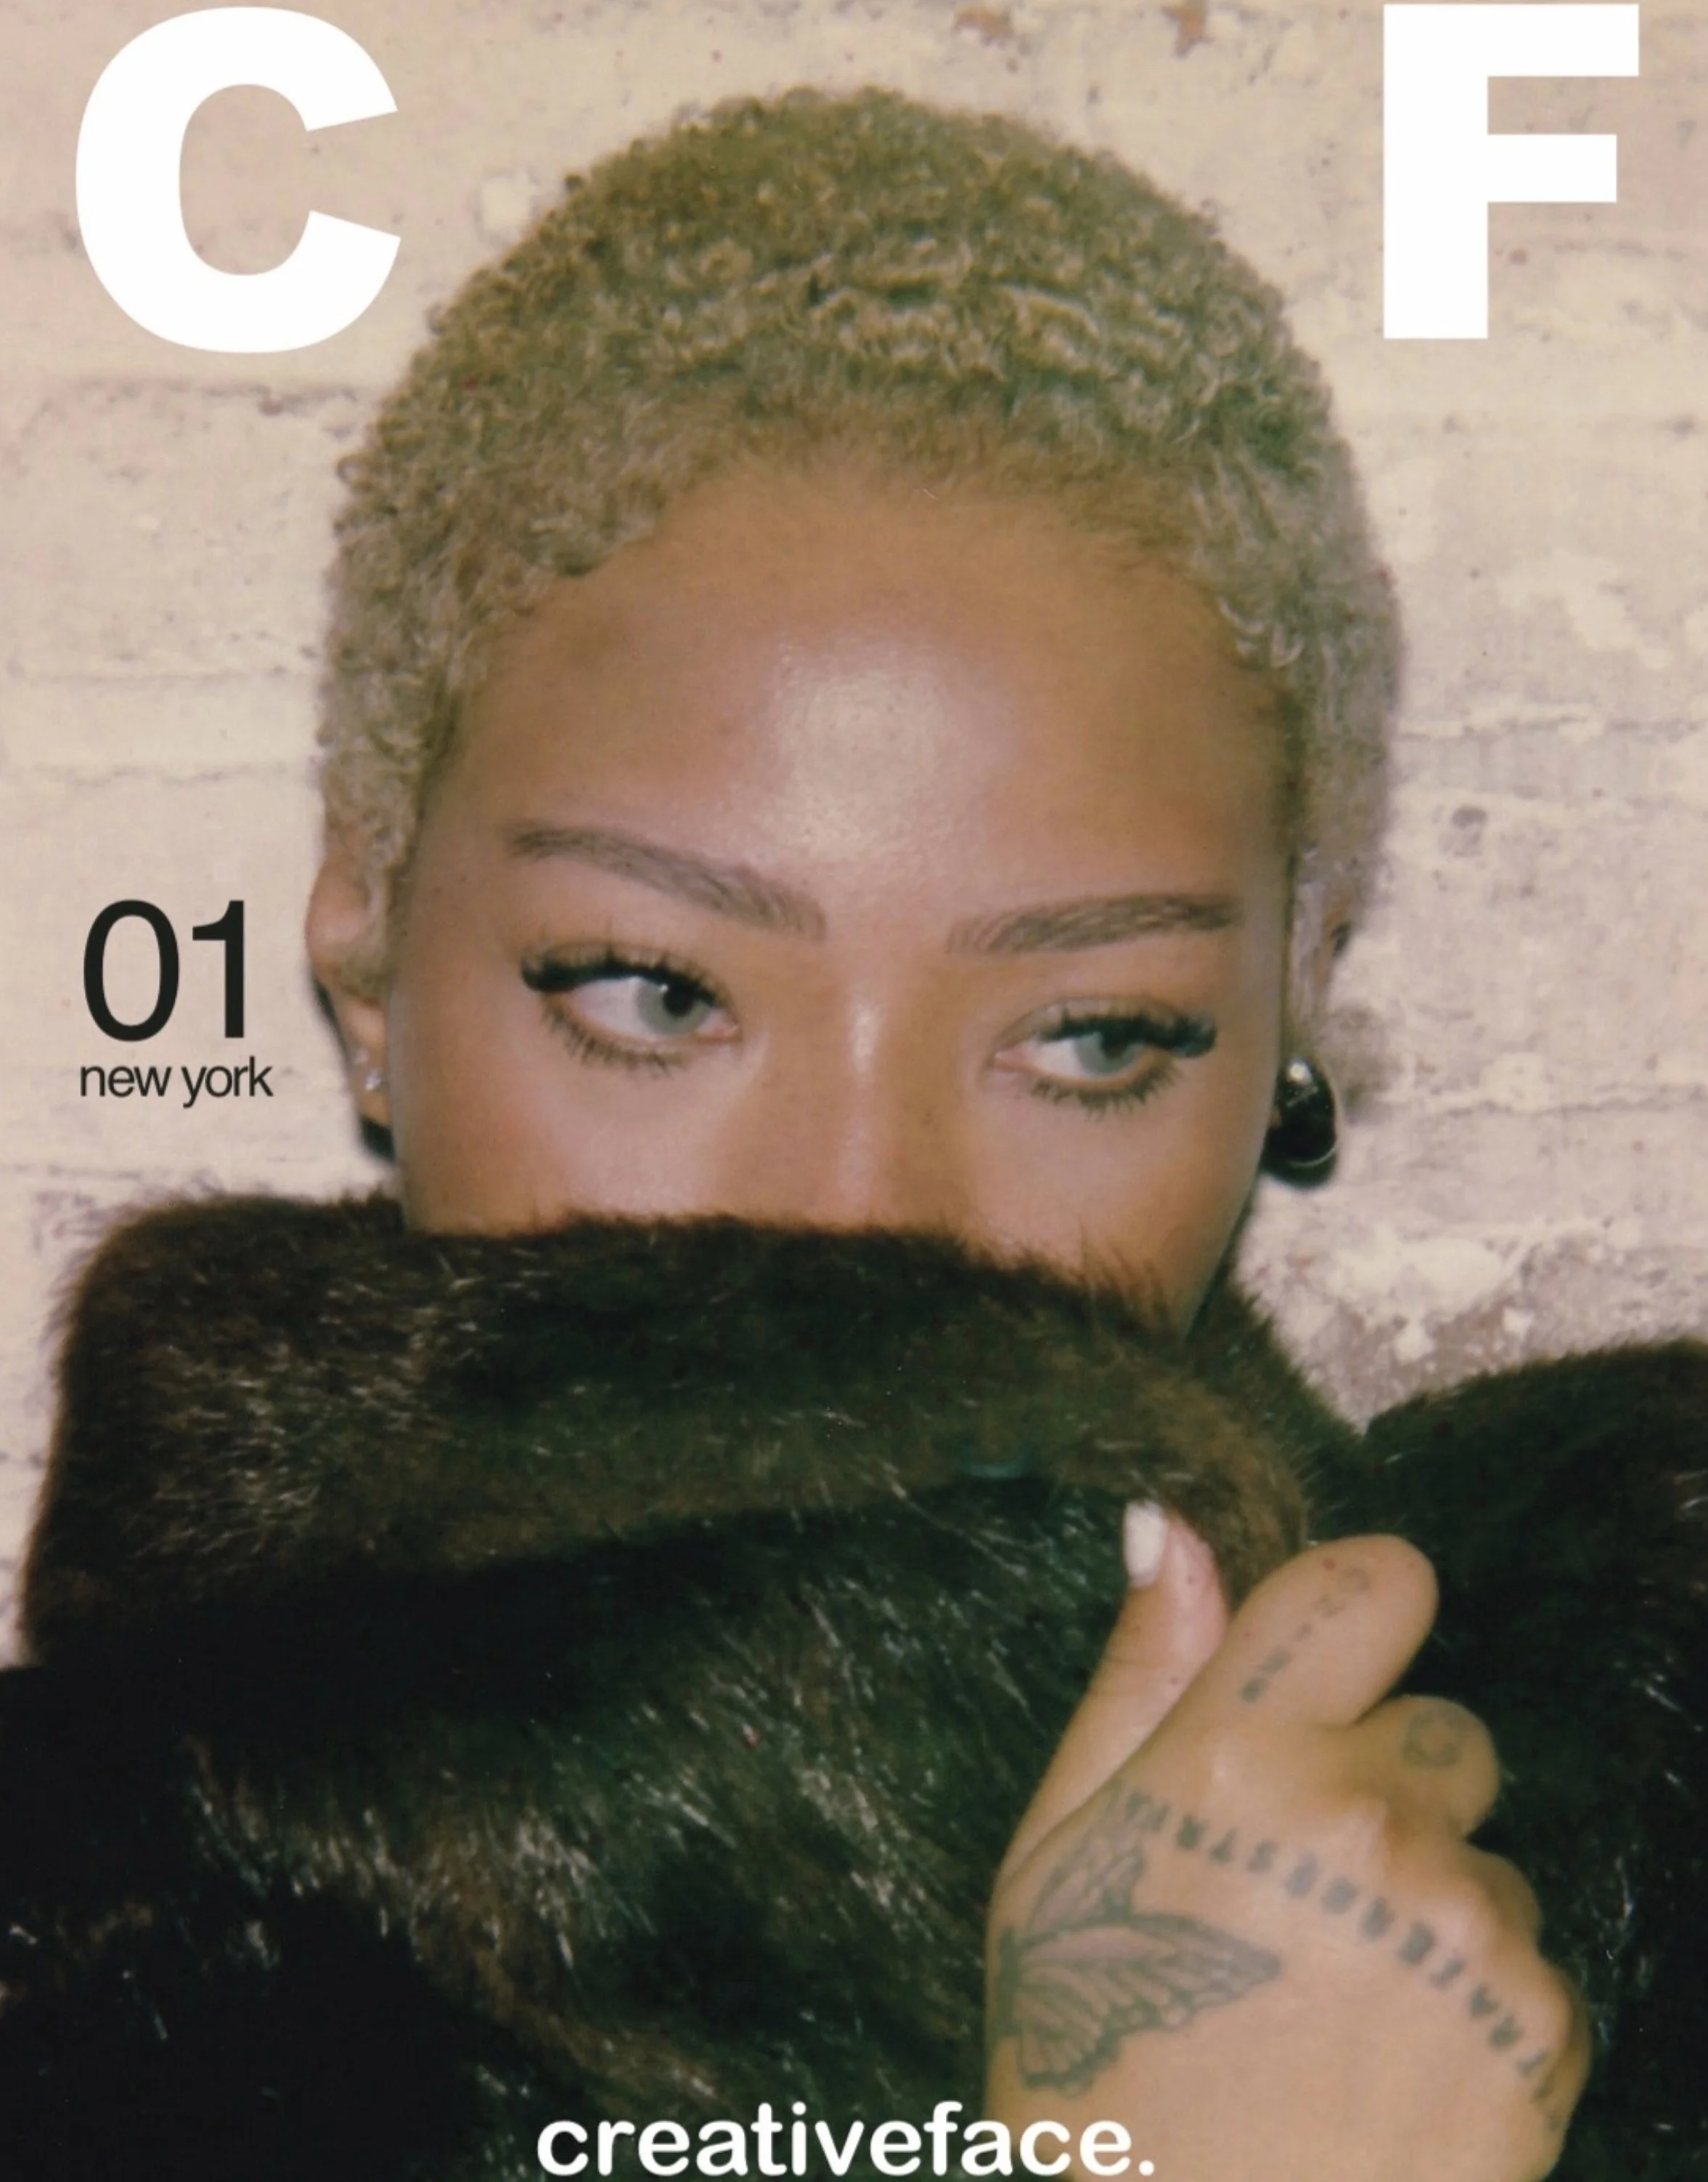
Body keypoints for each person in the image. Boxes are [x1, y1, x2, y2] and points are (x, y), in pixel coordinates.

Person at [2, 86, 1704, 2182]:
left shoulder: (1643, 1767)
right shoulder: (85, 1982)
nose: (858, 1214)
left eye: (1090, 1035)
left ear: (1289, 1010)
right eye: (655, 994)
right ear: (367, 957)